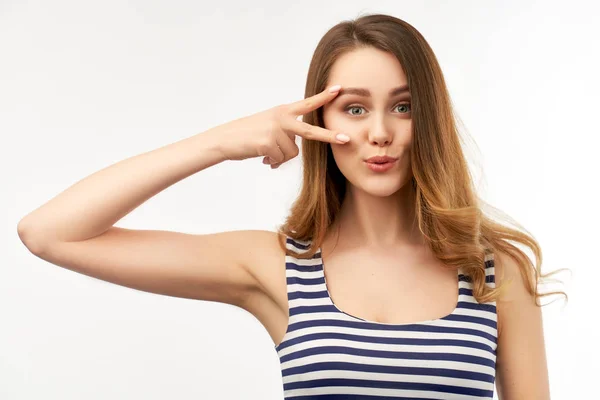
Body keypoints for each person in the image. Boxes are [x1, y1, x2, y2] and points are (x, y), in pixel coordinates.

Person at [17, 13, 564, 400]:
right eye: (354, 108)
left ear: (432, 120)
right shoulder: (280, 268)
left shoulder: (495, 271)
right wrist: (221, 141)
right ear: (320, 121)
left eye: (403, 107)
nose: (379, 132)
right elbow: (50, 233)